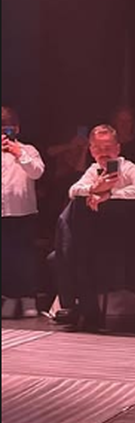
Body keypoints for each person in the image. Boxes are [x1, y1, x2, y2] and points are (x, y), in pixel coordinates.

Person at [53, 124, 135, 328]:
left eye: (108, 147)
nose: (103, 153)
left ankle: (77, 309)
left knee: (71, 248)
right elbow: (73, 190)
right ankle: (85, 310)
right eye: (98, 148)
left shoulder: (127, 168)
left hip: (125, 239)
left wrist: (111, 195)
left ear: (118, 148)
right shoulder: (94, 171)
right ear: (91, 151)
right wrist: (95, 189)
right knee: (61, 254)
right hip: (95, 239)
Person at [2, 107, 45, 318]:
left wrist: (18, 154)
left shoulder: (28, 150)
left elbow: (37, 172)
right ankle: (10, 296)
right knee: (6, 257)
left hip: (24, 213)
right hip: (2, 213)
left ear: (16, 129)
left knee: (25, 257)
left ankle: (29, 297)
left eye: (7, 129)